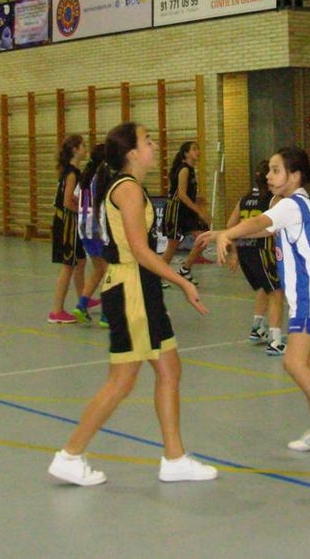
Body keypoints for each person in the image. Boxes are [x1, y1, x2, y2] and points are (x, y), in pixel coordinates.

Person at [48, 122, 215, 487]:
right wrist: (182, 280)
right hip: (131, 288)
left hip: (142, 287)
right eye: (148, 140)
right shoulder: (127, 191)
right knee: (122, 380)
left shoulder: (131, 188)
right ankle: (70, 455)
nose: (155, 144)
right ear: (132, 153)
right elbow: (139, 251)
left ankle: (174, 457)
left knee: (169, 369)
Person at [203, 146, 310, 472]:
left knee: (294, 362)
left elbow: (259, 220)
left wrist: (230, 232)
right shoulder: (293, 204)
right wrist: (223, 233)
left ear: (294, 176)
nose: (268, 176)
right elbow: (265, 229)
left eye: (275, 170)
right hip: (305, 294)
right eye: (268, 170)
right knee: (308, 362)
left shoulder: (291, 204)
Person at [224, 160, 285, 355]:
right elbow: (271, 227)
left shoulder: (244, 198)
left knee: (263, 287)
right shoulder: (273, 199)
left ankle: (257, 328)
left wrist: (233, 252)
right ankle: (276, 341)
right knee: (276, 292)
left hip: (244, 250)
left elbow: (230, 224)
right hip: (262, 249)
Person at [159, 140, 210, 285]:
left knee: (203, 239)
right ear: (186, 153)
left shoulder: (191, 169)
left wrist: (197, 199)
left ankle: (185, 270)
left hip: (186, 209)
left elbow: (186, 193)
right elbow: (181, 194)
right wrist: (199, 210)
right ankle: (158, 276)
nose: (198, 152)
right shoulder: (184, 169)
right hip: (176, 209)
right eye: (194, 149)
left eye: (198, 149)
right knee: (172, 245)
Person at [48, 134, 87, 323]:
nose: (85, 148)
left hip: (67, 222)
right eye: (82, 146)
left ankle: (83, 300)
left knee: (80, 262)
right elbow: (66, 201)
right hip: (68, 223)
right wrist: (83, 211)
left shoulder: (70, 170)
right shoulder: (71, 173)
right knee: (68, 266)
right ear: (75, 149)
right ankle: (57, 311)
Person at [73, 144, 107, 326]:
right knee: (111, 271)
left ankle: (82, 304)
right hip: (97, 228)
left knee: (99, 269)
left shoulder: (86, 175)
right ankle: (107, 315)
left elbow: (75, 196)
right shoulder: (103, 176)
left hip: (83, 227)